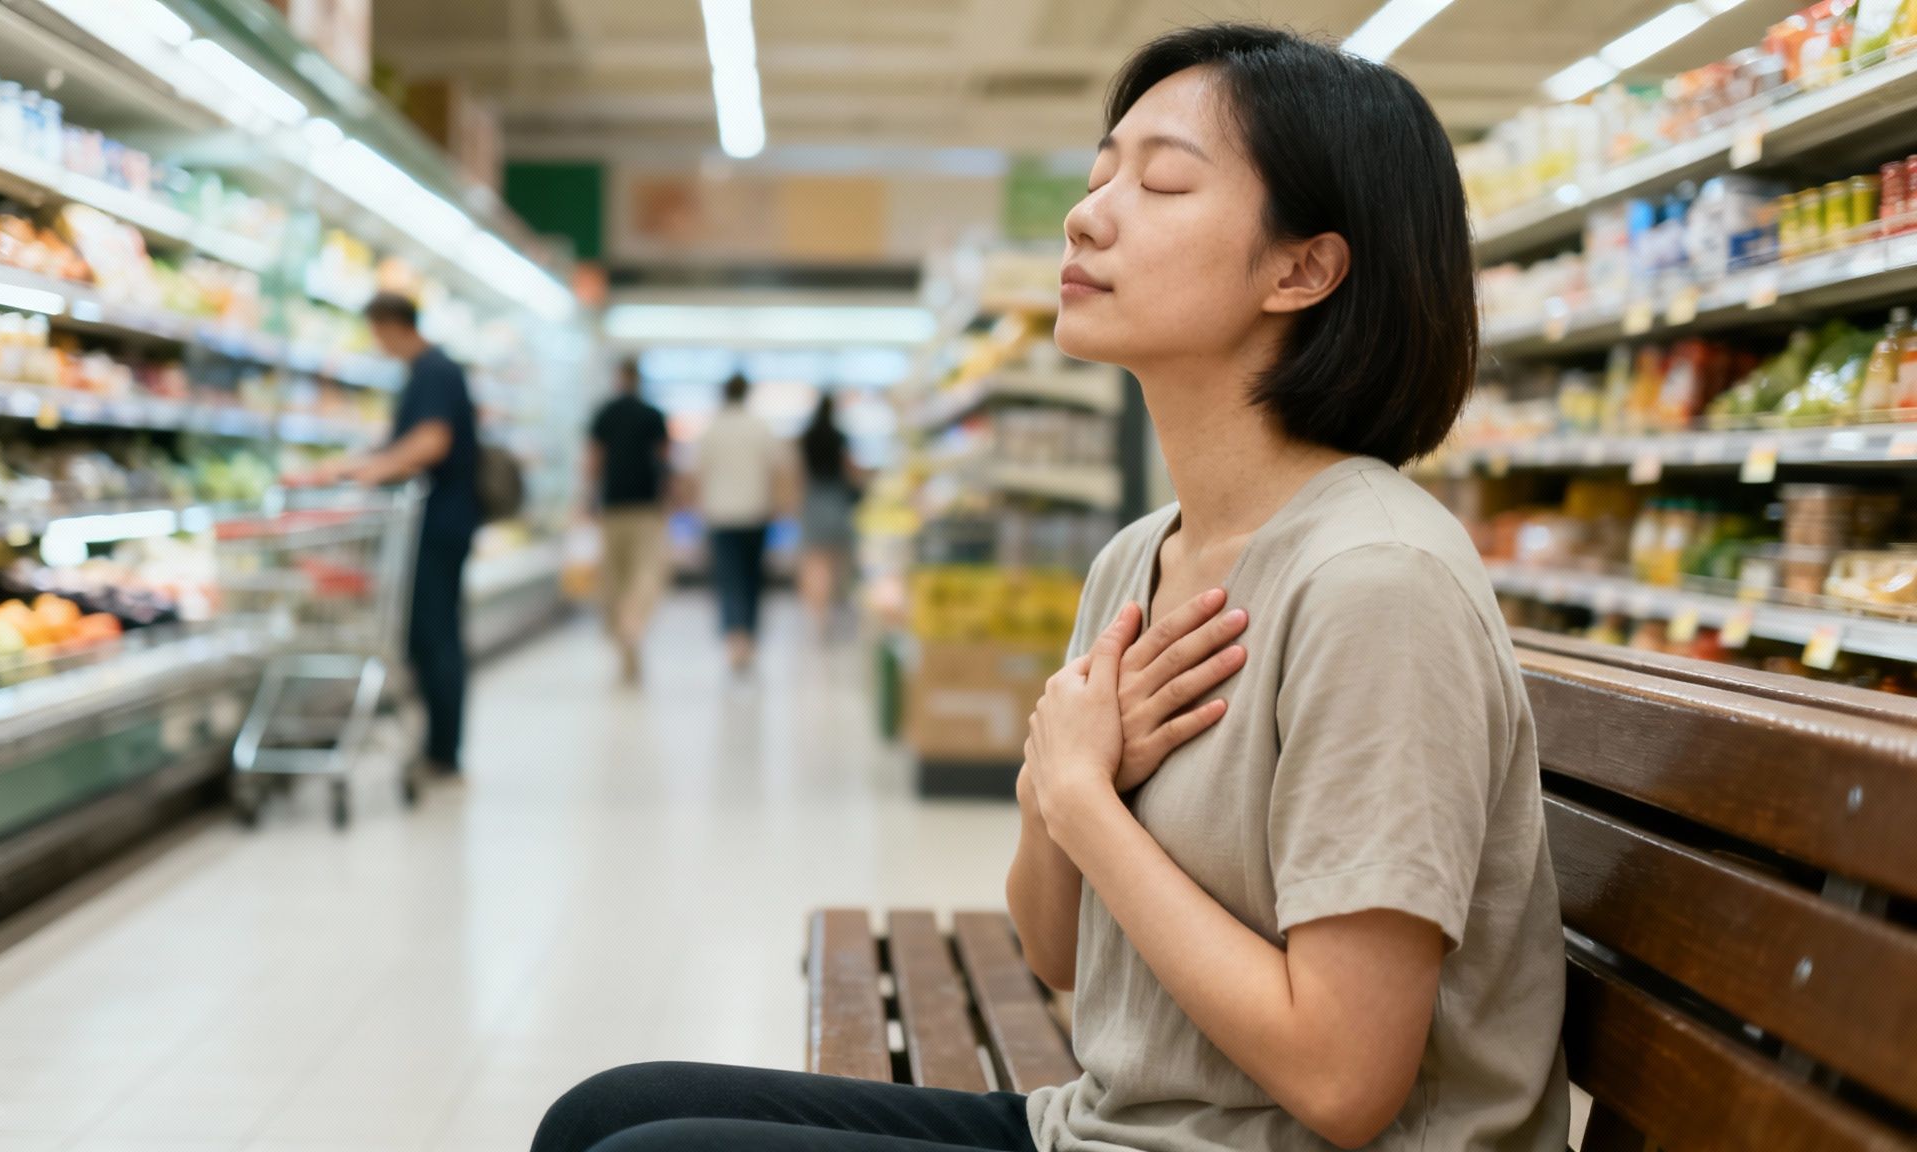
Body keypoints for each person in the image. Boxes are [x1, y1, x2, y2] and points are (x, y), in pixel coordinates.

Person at [532, 21, 1567, 1152]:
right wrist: (1053, 788)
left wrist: (1082, 799)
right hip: (1107, 1123)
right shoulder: (1140, 558)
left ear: (1302, 267)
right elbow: (1054, 950)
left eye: (1162, 182)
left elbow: (1343, 1077)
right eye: (1097, 174)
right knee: (602, 1113)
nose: (1086, 214)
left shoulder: (1373, 583)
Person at [309, 292, 480, 779]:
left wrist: (370, 472)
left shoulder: (434, 370)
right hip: (438, 525)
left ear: (391, 325)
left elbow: (431, 441)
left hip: (438, 527)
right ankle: (438, 746)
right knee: (429, 637)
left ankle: (444, 753)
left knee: (436, 638)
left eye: (377, 332)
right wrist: (352, 464)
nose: (377, 343)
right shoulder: (429, 371)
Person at [586, 358, 672, 684]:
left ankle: (625, 636)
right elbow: (665, 461)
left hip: (613, 507)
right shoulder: (653, 415)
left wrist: (588, 498)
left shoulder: (605, 413)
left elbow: (594, 458)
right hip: (646, 507)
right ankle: (632, 627)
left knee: (615, 577)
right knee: (647, 572)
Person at [694, 373, 783, 674]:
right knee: (752, 578)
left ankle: (734, 640)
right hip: (756, 512)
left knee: (728, 578)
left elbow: (700, 473)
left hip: (720, 514)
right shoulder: (759, 427)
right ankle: (750, 637)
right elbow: (775, 470)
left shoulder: (712, 428)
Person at [795, 391, 861, 642]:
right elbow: (849, 469)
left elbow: (799, 472)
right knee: (836, 561)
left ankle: (818, 616)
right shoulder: (839, 436)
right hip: (836, 498)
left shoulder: (806, 436)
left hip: (813, 499)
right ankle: (834, 609)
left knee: (814, 560)